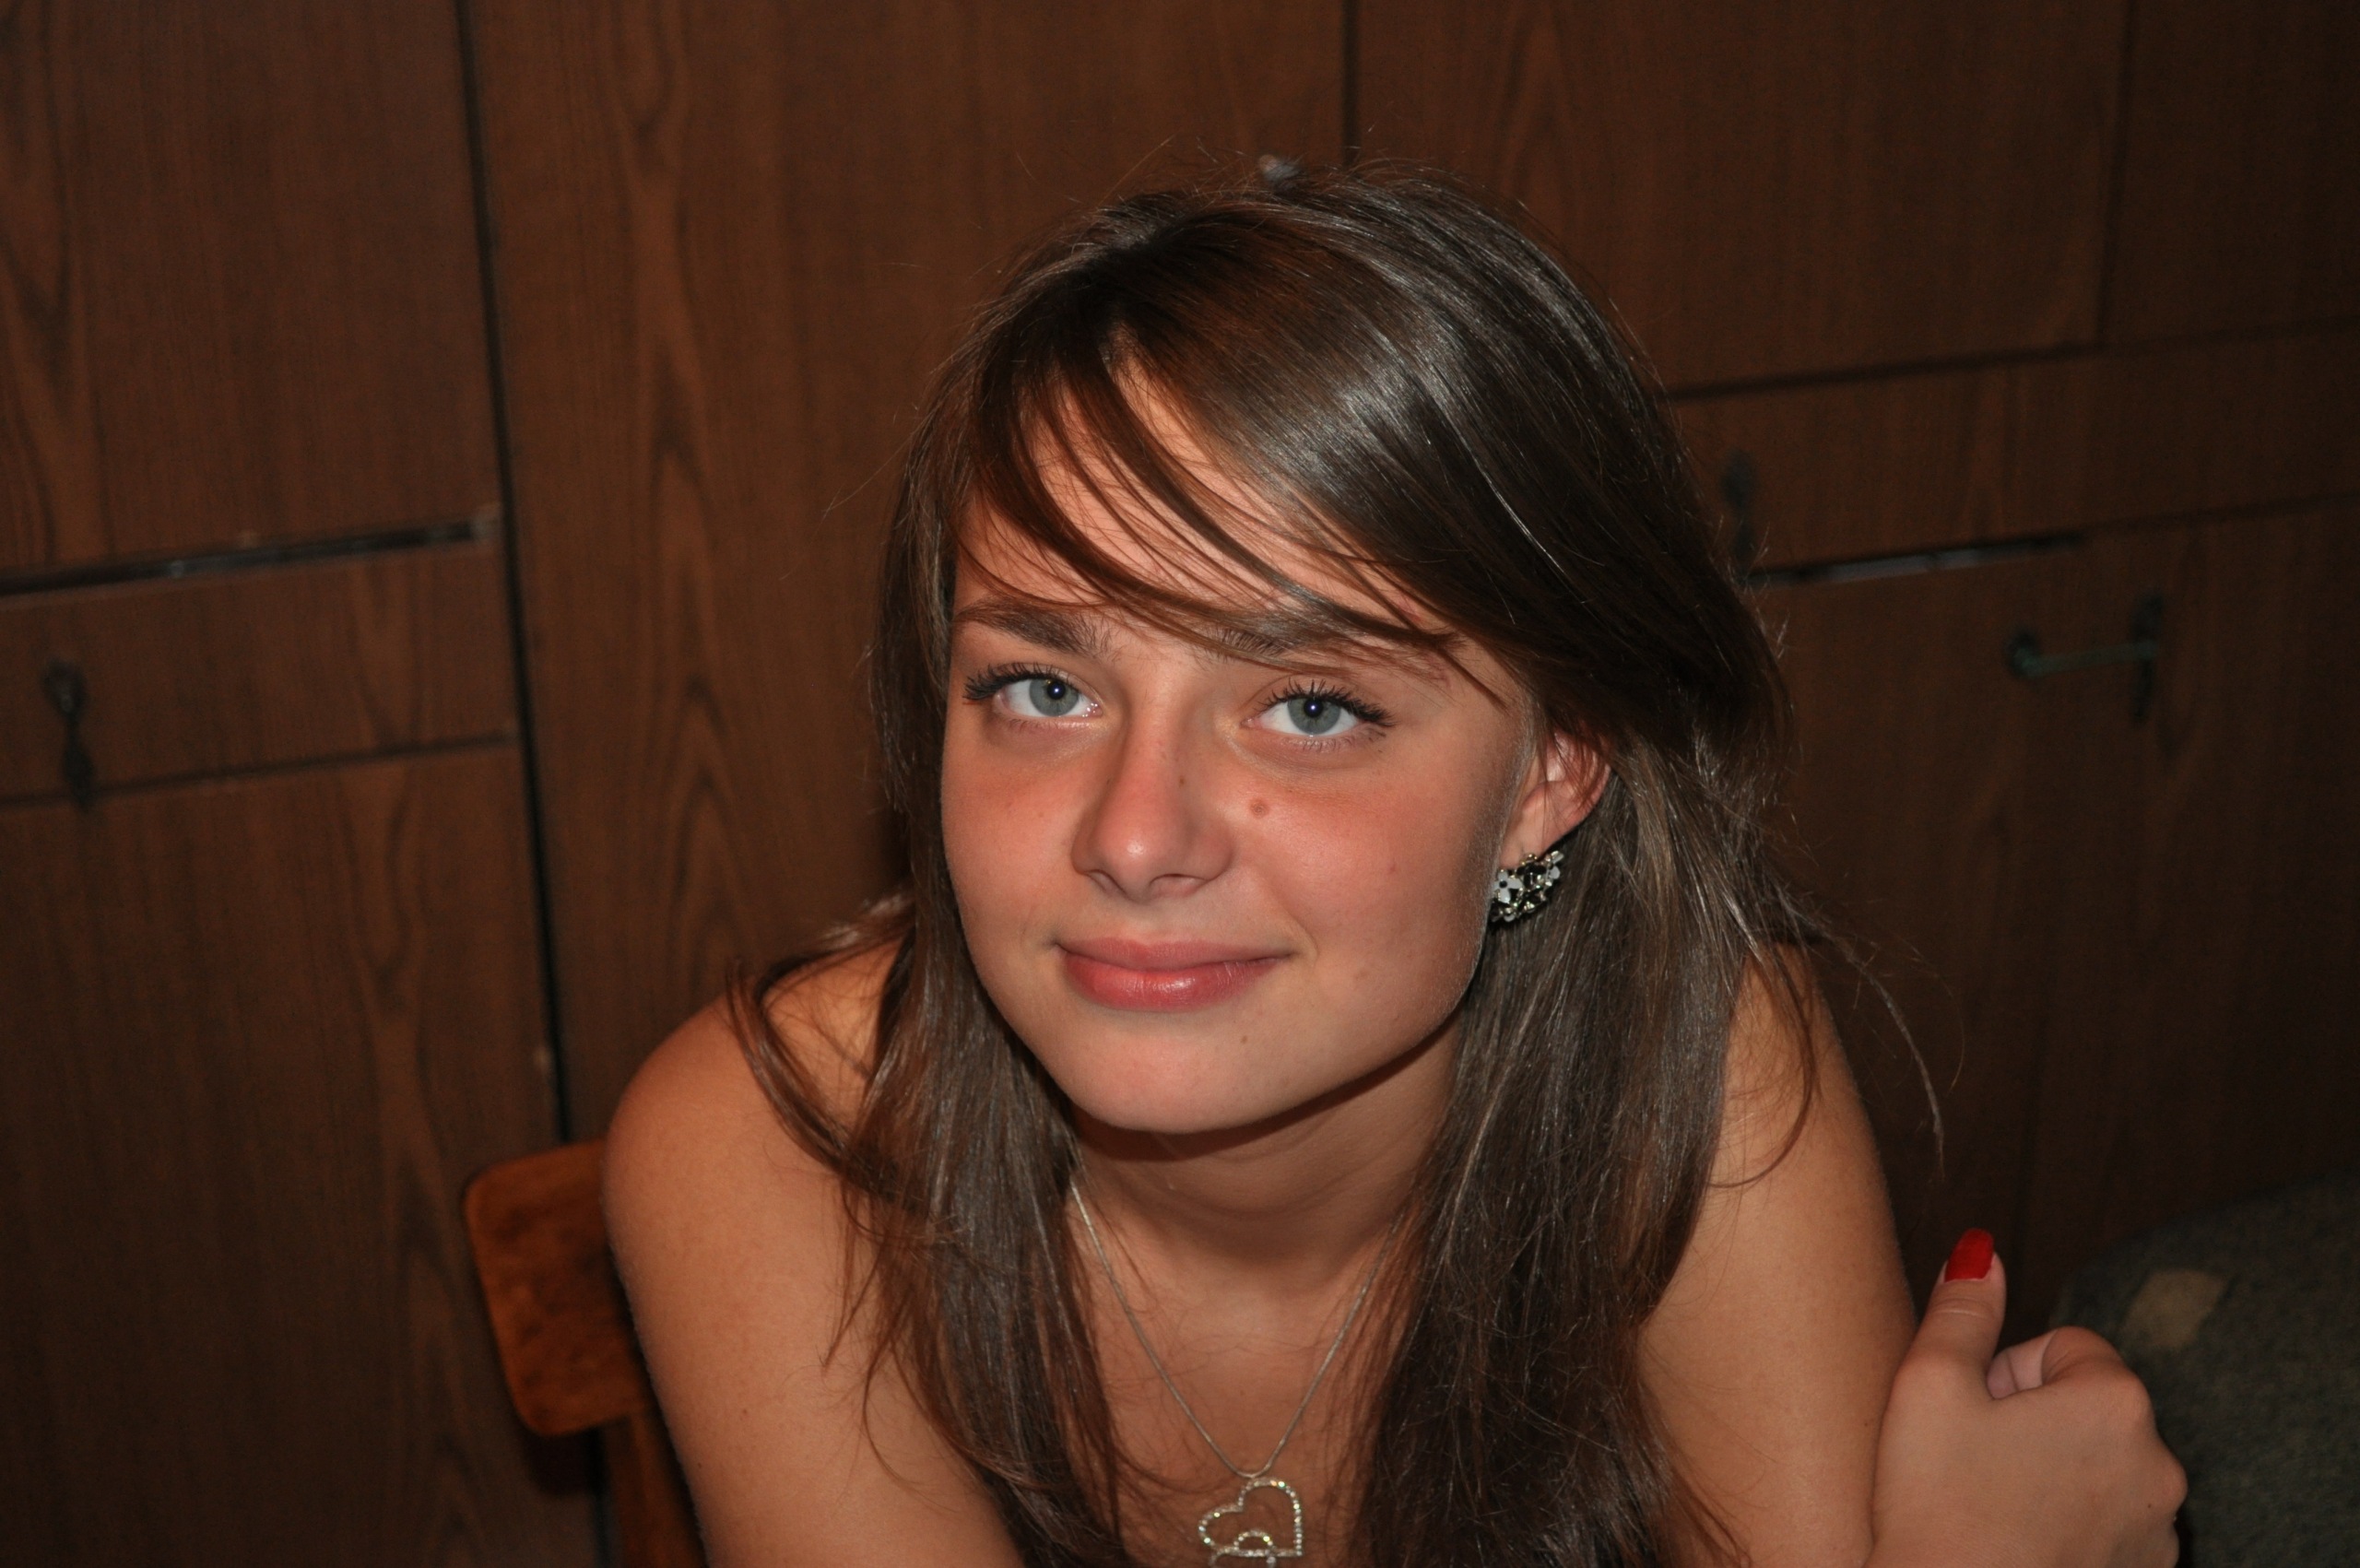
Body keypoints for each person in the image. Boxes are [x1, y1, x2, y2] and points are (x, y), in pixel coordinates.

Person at [604, 164, 2184, 1567]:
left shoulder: (1697, 1071)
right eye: (1043, 687)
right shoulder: (770, 1148)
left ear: (1551, 770)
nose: (1134, 836)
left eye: (1311, 706)